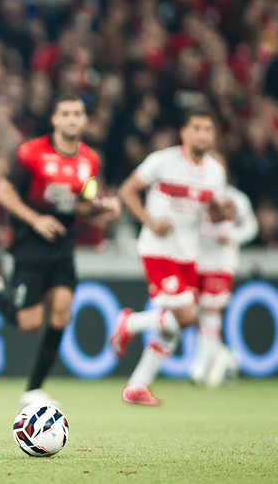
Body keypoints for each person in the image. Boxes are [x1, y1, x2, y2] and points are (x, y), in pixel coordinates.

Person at [0, 95, 120, 408]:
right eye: (66, 113)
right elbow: (4, 192)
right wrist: (35, 219)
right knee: (29, 324)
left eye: (78, 113)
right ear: (55, 120)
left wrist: (101, 209)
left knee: (62, 311)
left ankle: (34, 389)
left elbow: (81, 205)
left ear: (85, 120)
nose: (72, 118)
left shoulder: (90, 160)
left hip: (62, 244)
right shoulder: (32, 153)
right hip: (30, 243)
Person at [110, 109, 228, 406]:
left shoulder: (216, 172)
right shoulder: (162, 161)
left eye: (208, 129)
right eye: (197, 128)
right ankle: (131, 322)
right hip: (159, 249)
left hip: (189, 254)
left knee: (174, 327)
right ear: (184, 133)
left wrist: (221, 211)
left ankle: (137, 386)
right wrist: (150, 222)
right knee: (186, 316)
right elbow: (127, 191)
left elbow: (214, 212)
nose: (203, 134)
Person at [190, 155, 258, 386]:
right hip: (195, 259)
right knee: (194, 314)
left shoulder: (236, 198)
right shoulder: (197, 194)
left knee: (210, 311)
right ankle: (225, 357)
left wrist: (231, 236)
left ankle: (200, 368)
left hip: (221, 262)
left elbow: (251, 227)